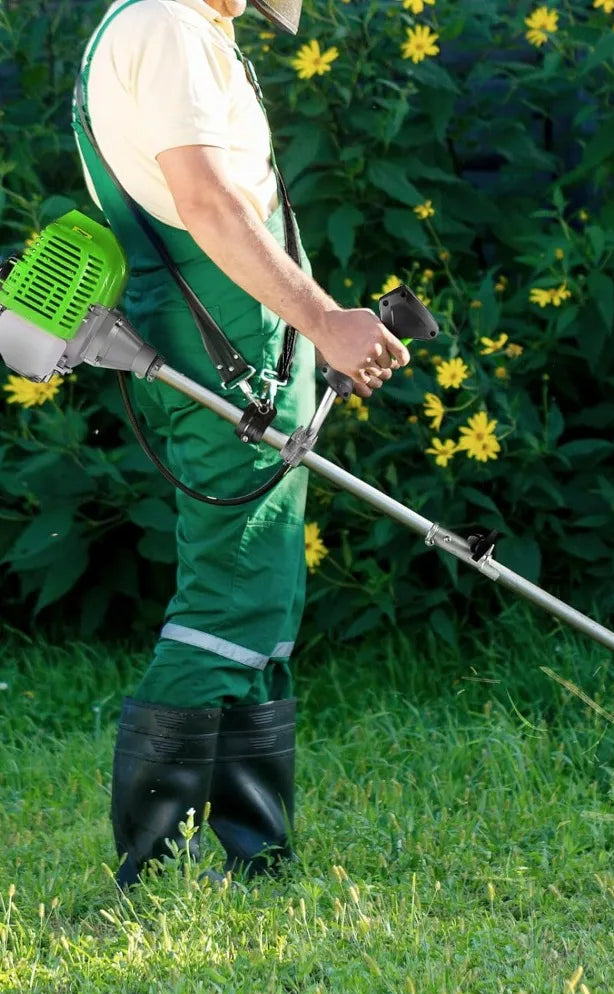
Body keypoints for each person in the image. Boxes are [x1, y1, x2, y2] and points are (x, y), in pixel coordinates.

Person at [73, 0, 409, 888]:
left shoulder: (178, 26)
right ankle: (157, 874)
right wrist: (323, 318)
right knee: (228, 598)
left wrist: (319, 327)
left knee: (260, 591)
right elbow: (210, 207)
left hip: (245, 344)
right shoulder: (167, 27)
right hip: (225, 348)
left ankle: (253, 854)